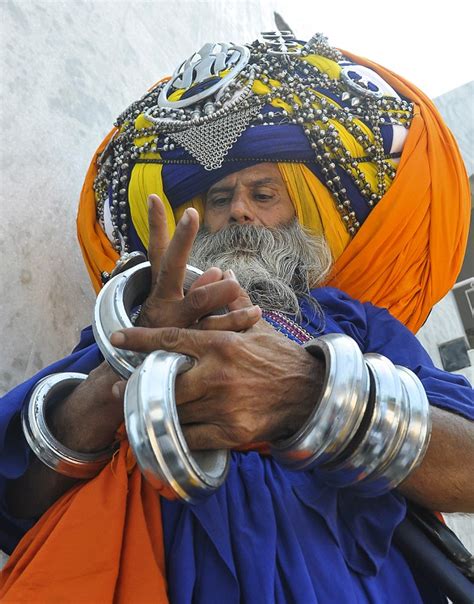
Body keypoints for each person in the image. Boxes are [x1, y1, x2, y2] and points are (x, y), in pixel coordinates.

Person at [0, 32, 473, 603]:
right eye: (218, 199)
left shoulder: (357, 327)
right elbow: (16, 496)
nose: (238, 209)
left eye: (263, 192)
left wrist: (307, 395)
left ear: (303, 210)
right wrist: (134, 362)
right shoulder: (129, 322)